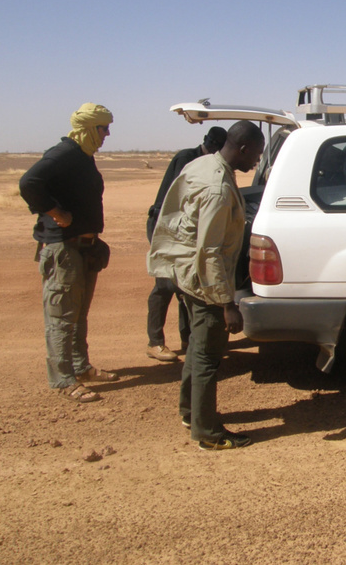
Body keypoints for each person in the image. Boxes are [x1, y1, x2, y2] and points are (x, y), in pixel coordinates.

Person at [147, 121, 265, 450]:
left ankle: (191, 413)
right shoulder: (218, 188)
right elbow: (210, 251)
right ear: (242, 149)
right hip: (206, 283)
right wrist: (227, 304)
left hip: (188, 274)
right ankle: (208, 432)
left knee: (197, 351)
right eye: (256, 154)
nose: (257, 160)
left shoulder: (204, 163)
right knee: (208, 357)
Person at [19, 103, 120, 403]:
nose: (107, 133)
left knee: (78, 314)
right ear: (89, 128)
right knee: (61, 316)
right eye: (103, 128)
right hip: (63, 248)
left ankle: (80, 367)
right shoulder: (64, 153)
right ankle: (63, 379)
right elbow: (28, 182)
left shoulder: (83, 157)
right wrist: (54, 212)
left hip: (84, 249)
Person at [145, 126, 227, 362]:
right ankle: (155, 342)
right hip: (166, 226)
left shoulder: (204, 162)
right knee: (165, 285)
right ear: (213, 146)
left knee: (186, 284)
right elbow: (178, 200)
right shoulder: (187, 158)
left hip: (183, 229)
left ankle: (187, 337)